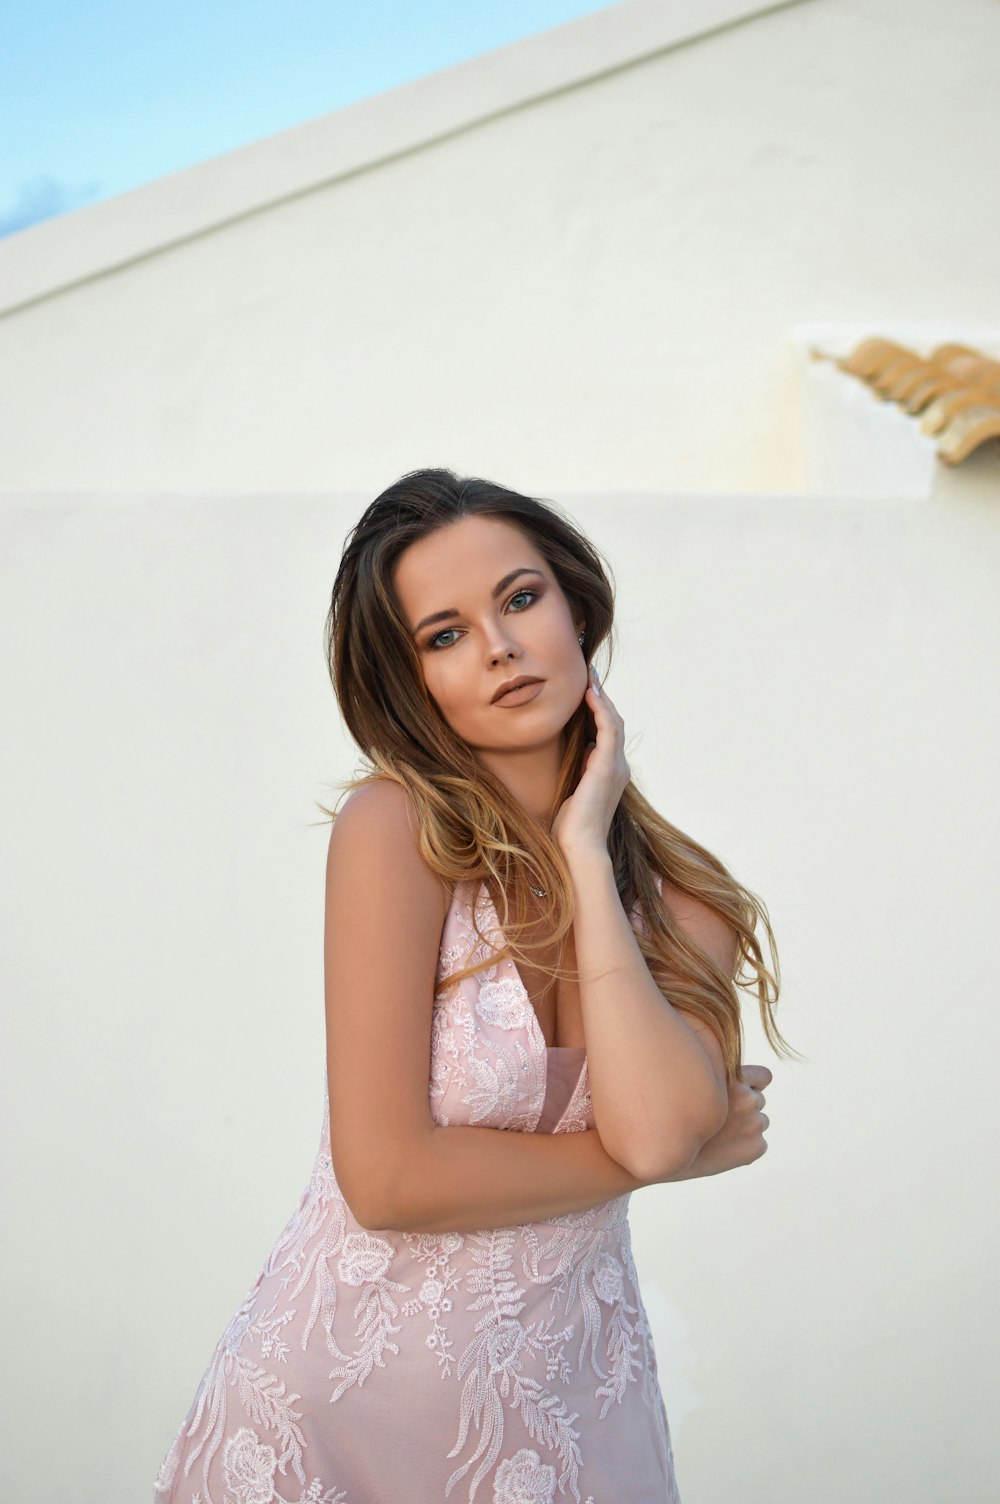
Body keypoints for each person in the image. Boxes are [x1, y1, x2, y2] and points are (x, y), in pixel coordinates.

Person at [153, 468, 793, 1504]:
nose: (497, 646)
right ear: (412, 684)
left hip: (574, 1416)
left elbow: (659, 1129)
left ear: (576, 607)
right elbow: (389, 1180)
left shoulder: (688, 901)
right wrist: (648, 1162)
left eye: (520, 598)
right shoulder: (392, 832)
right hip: (328, 1421)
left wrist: (586, 852)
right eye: (442, 635)